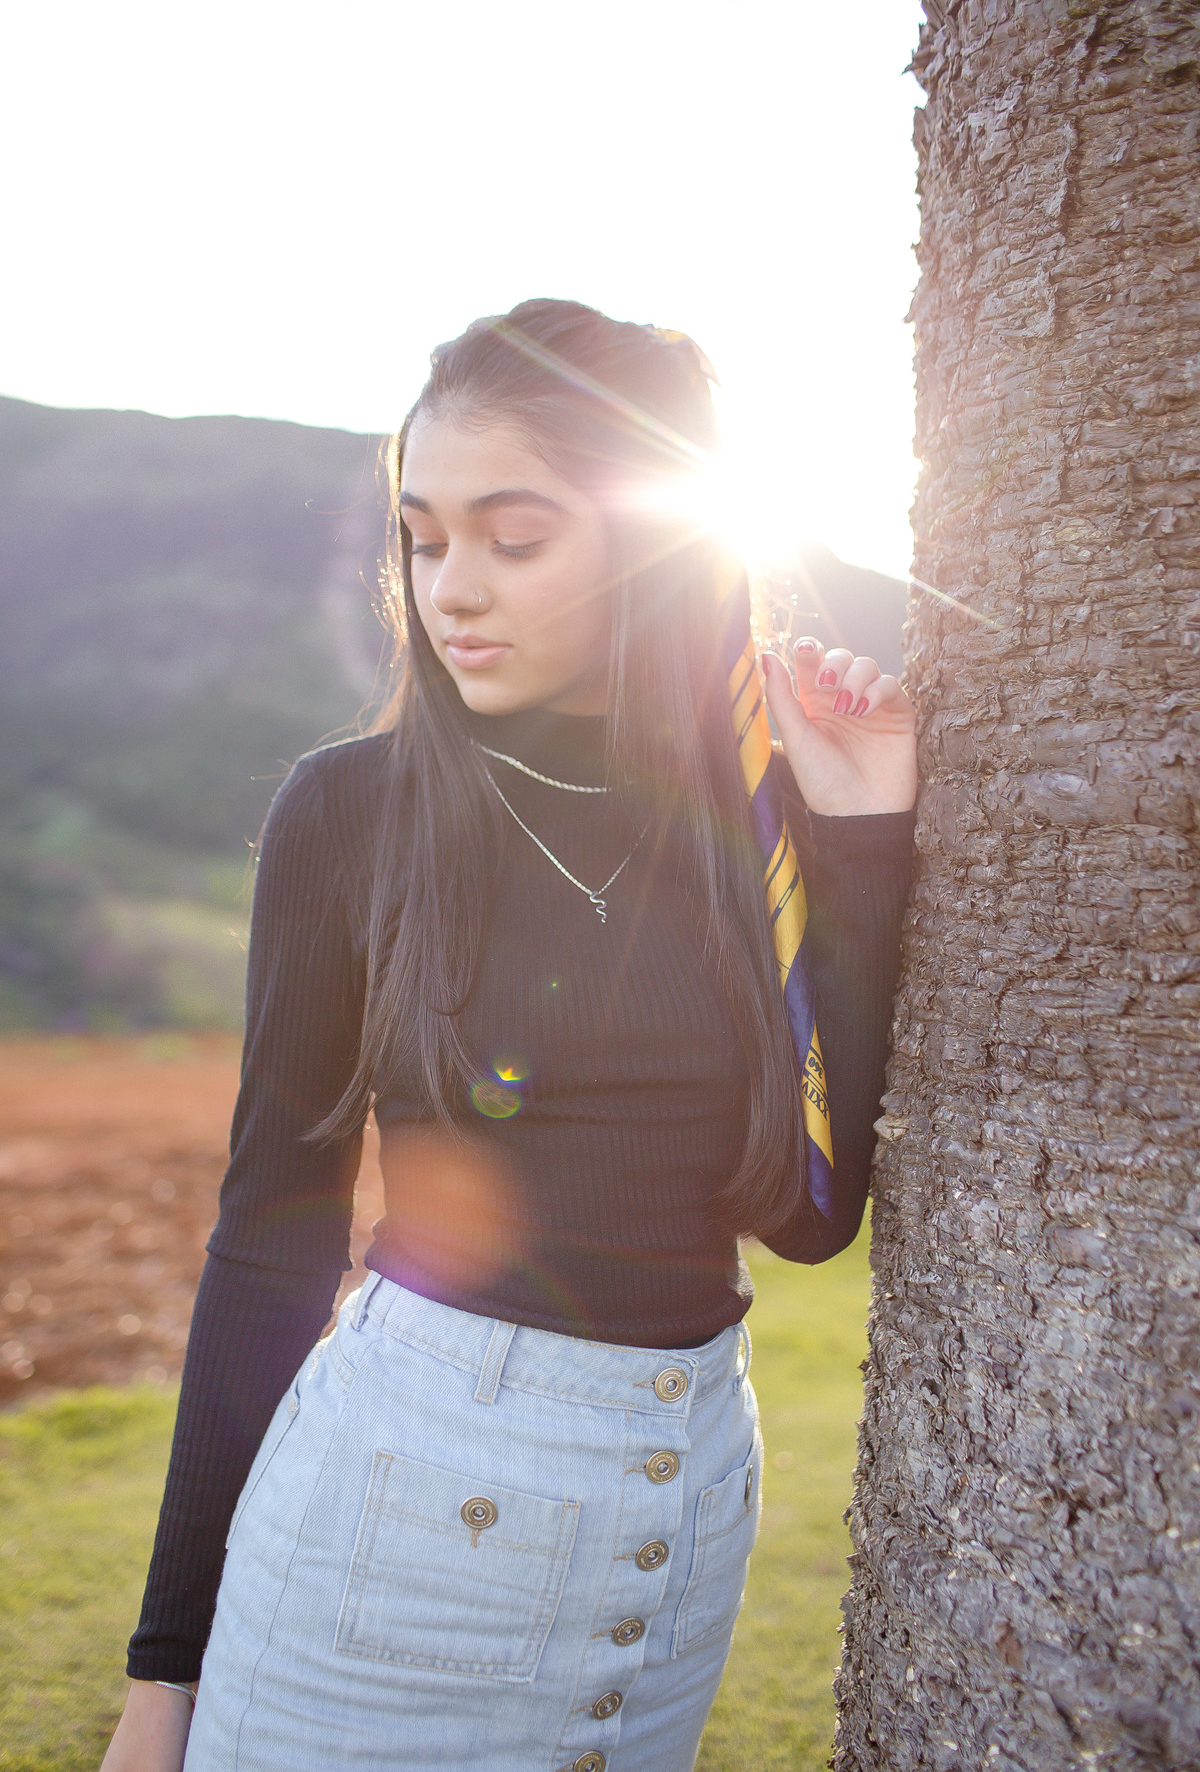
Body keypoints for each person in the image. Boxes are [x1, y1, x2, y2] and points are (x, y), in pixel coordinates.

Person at [101, 298, 917, 1772]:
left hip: (685, 1517)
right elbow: (269, 1231)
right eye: (423, 536)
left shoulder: (749, 817)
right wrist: (166, 1677)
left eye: (514, 537)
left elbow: (808, 1215)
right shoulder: (350, 815)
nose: (450, 589)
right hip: (395, 1514)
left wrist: (861, 830)